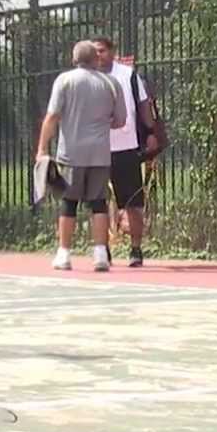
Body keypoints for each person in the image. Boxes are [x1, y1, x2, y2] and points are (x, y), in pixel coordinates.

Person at [37, 40, 126, 272]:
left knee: (68, 203)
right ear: (96, 59)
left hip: (71, 154)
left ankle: (64, 254)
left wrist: (41, 149)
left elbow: (52, 117)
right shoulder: (111, 83)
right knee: (98, 204)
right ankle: (100, 255)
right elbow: (120, 121)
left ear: (74, 59)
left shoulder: (64, 80)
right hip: (100, 154)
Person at [91, 36, 160, 268]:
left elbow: (143, 105)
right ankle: (104, 248)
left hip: (127, 146)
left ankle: (136, 248)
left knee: (133, 201)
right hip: (98, 147)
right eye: (94, 51)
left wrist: (151, 132)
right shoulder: (89, 77)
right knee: (100, 199)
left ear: (112, 52)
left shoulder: (128, 75)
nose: (98, 55)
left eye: (101, 50)